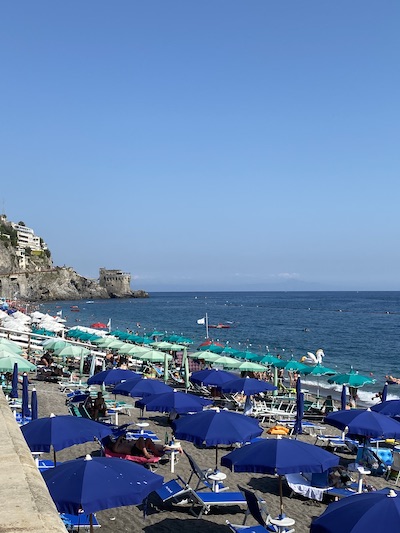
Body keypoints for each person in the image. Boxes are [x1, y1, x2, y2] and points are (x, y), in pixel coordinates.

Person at [110, 434, 182, 459]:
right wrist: (119, 439)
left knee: (148, 440)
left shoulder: (122, 443)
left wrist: (122, 439)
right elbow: (115, 449)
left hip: (139, 448)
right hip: (135, 451)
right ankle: (147, 454)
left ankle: (159, 451)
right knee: (141, 439)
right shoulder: (117, 447)